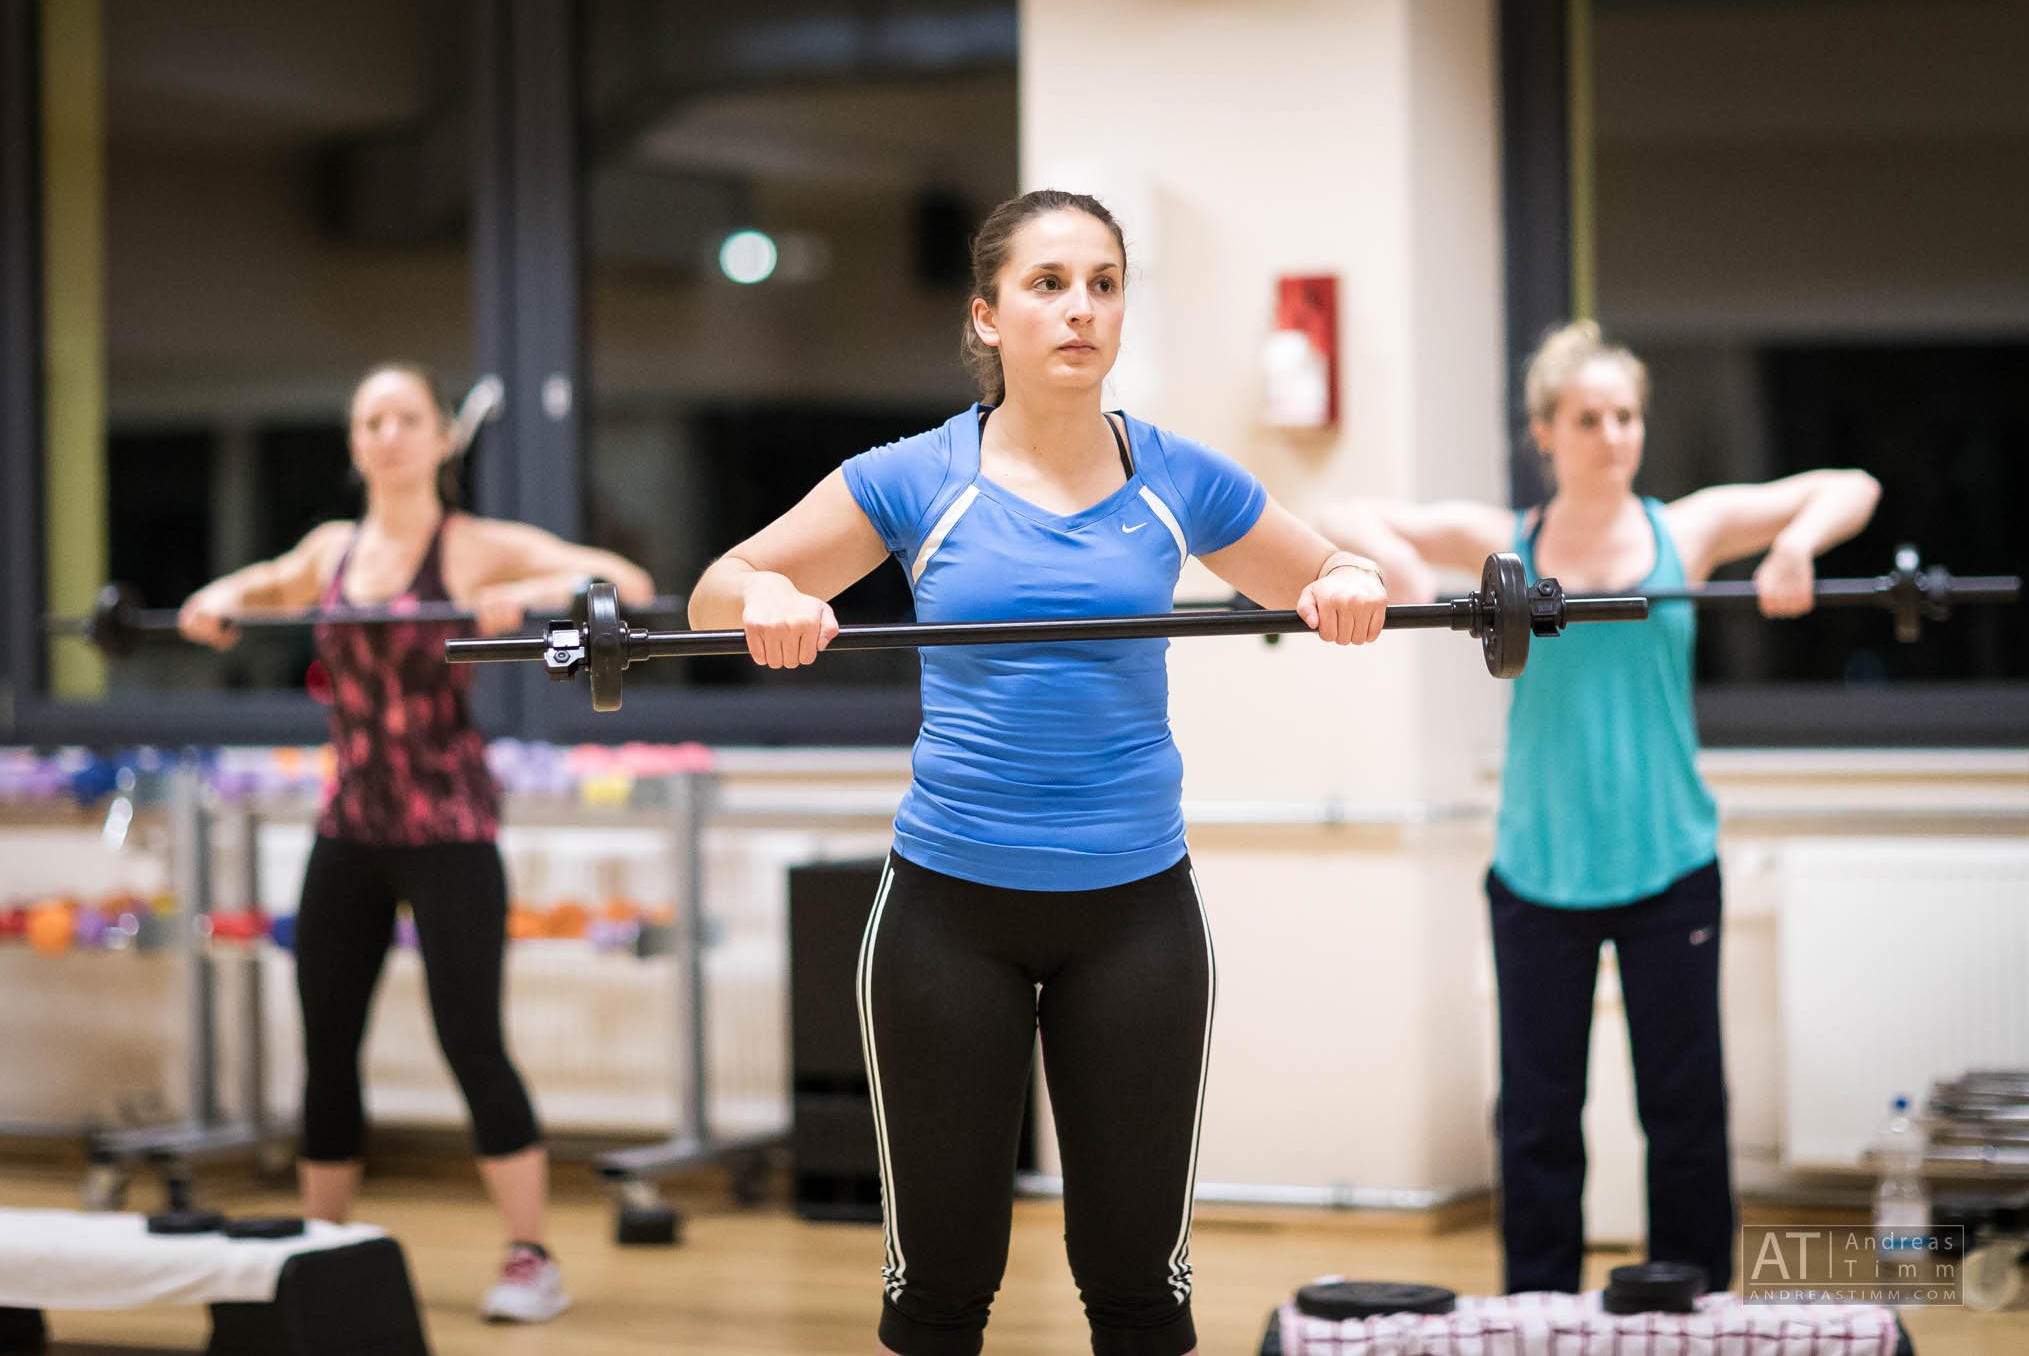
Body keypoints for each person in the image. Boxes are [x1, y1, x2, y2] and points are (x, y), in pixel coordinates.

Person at [689, 189, 1388, 1356]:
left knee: (1136, 1289)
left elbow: (1317, 574)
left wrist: (1348, 582)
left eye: (1103, 285)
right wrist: (763, 595)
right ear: (986, 317)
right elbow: (724, 584)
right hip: (945, 918)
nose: (1080, 310)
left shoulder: (1177, 478)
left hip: (1135, 919)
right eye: (1048, 285)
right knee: (942, 1288)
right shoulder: (917, 477)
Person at [1319, 320, 1881, 1295]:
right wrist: (1393, 572)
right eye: (1587, 418)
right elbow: (1345, 506)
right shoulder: (1504, 544)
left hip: (1668, 863)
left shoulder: (1687, 532)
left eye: (1624, 416)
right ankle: (1536, 1313)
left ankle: (1690, 1304)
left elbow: (1851, 486)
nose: (1611, 434)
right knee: (1536, 1120)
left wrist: (1791, 547)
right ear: (1545, 432)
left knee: (1684, 1112)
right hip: (1537, 871)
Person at [178, 362, 656, 1323]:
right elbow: (249, 590)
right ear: (356, 447)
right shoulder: (330, 551)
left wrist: (527, 594)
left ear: (441, 438)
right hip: (348, 826)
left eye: (404, 418)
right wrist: (214, 601)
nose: (387, 434)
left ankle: (530, 1256)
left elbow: (626, 581)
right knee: (325, 1045)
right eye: (369, 421)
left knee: (471, 1038)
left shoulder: (472, 545)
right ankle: (320, 1256)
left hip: (449, 829)